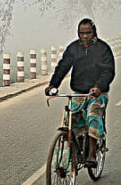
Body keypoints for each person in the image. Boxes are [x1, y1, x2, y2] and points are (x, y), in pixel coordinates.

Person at [45, 18, 115, 167]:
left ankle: (91, 154)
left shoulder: (103, 49)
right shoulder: (73, 49)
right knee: (71, 119)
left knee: (93, 115)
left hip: (97, 93)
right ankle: (74, 148)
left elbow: (109, 71)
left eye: (88, 33)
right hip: (78, 91)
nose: (84, 36)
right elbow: (63, 67)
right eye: (81, 33)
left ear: (94, 32)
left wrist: (99, 87)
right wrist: (53, 85)